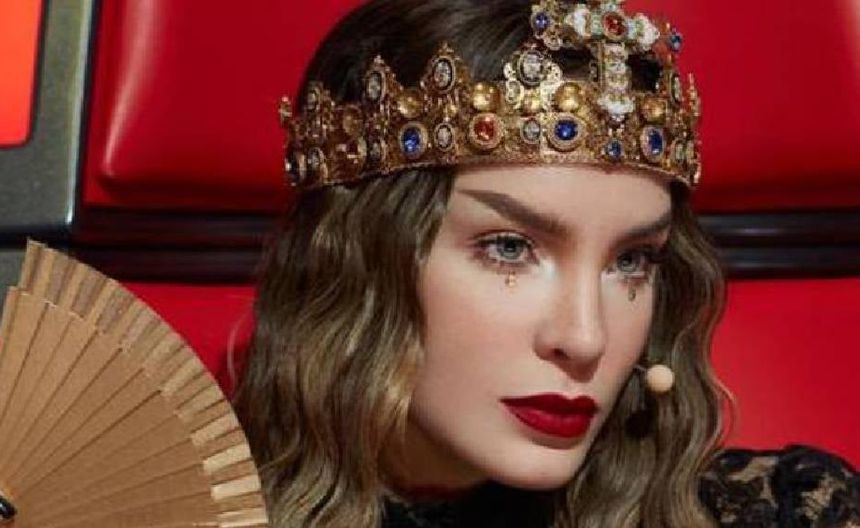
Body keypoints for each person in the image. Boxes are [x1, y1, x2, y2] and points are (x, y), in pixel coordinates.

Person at [231, 0, 860, 526]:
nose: (585, 339)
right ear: (356, 265)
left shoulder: (789, 510)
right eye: (509, 247)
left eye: (632, 260)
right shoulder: (191, 505)